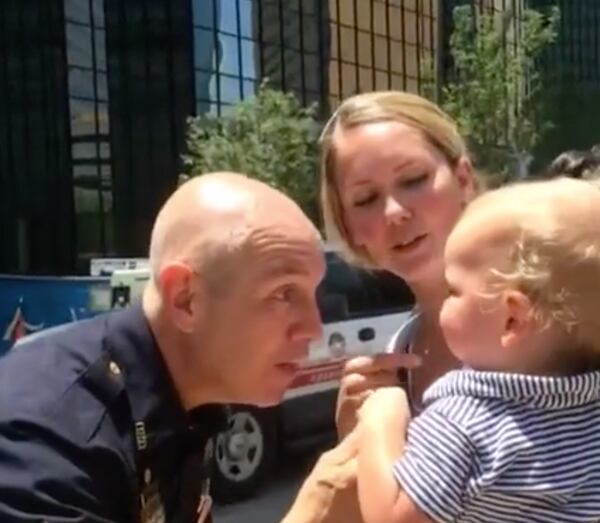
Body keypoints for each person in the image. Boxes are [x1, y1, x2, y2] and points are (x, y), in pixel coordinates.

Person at [0, 172, 343, 522]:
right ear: (185, 299)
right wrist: (314, 511)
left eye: (313, 294)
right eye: (284, 293)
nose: (313, 329)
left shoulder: (187, 408)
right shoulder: (50, 443)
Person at [356, 177, 600, 523]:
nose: (443, 302)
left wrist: (382, 417)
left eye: (453, 291)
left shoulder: (464, 421)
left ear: (512, 320)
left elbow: (393, 518)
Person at [318, 90, 479, 439]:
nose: (394, 212)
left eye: (413, 180)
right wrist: (357, 445)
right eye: (366, 199)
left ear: (463, 179)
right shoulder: (395, 358)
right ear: (351, 229)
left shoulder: (560, 317)